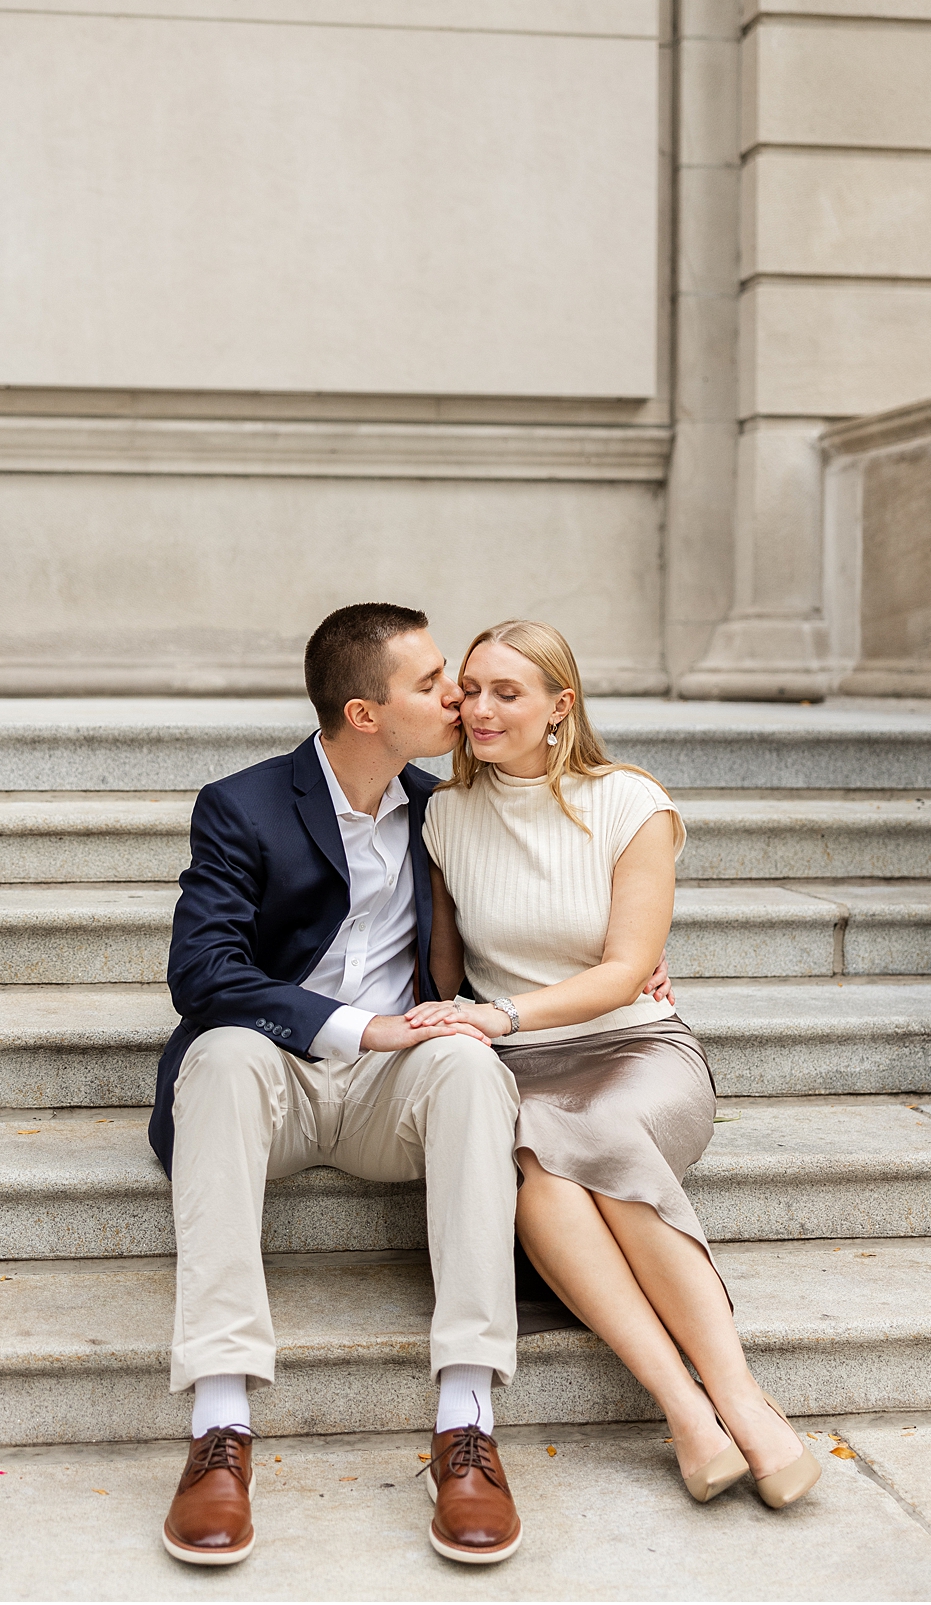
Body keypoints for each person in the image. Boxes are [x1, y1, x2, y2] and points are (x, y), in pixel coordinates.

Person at [149, 600, 677, 1566]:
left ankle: (466, 1417)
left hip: (396, 1092)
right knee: (219, 1051)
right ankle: (219, 1422)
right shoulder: (242, 805)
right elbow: (203, 972)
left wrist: (627, 962)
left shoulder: (444, 808)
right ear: (365, 713)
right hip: (275, 1082)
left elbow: (537, 902)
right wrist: (360, 1025)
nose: (458, 699)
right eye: (435, 684)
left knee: (467, 1063)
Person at [408, 620, 822, 1511]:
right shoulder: (442, 814)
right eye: (470, 689)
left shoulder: (633, 803)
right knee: (542, 1171)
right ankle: (688, 1411)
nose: (479, 708)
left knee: (583, 1130)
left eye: (507, 692)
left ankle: (741, 1396)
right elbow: (443, 968)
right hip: (519, 1060)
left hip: (636, 1047)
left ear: (561, 704)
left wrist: (503, 1011)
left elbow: (627, 969)